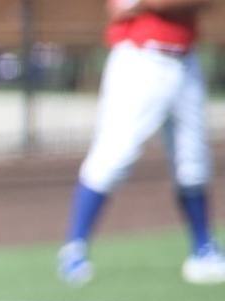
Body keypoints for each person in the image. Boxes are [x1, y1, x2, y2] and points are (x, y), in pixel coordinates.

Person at [58, 0, 225, 285]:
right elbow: (121, 7)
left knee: (193, 160)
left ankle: (203, 249)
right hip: (141, 59)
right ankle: (74, 247)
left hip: (185, 58)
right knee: (114, 156)